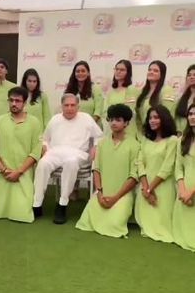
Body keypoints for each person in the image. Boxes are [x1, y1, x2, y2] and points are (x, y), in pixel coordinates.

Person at [33, 93, 102, 224]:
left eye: (73, 105)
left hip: (78, 153)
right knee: (42, 163)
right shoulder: (55, 119)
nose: (70, 108)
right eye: (66, 105)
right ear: (61, 106)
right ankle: (37, 204)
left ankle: (62, 204)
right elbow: (45, 139)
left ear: (78, 107)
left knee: (71, 162)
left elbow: (99, 136)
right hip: (55, 152)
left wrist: (96, 147)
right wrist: (44, 146)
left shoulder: (86, 118)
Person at [76, 104, 139, 238]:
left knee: (114, 227)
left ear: (126, 123)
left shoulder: (135, 145)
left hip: (122, 195)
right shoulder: (103, 143)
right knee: (85, 223)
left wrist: (116, 197)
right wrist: (99, 193)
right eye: (111, 120)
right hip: (102, 193)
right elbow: (96, 169)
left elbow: (134, 177)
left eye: (118, 120)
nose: (113, 123)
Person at [0, 87, 42, 223]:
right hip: (2, 175)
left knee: (23, 215)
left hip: (23, 174)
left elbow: (36, 152)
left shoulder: (34, 123)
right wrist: (4, 170)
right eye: (11, 100)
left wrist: (19, 172)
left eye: (18, 101)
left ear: (24, 103)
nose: (14, 104)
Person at [135, 105, 177, 243]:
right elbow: (140, 163)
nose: (152, 120)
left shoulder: (172, 140)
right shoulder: (145, 140)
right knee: (145, 224)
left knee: (163, 227)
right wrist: (146, 188)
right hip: (145, 187)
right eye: (150, 118)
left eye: (156, 117)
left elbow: (167, 168)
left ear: (164, 119)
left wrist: (150, 189)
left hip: (162, 187)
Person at [172, 104, 195, 252]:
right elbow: (178, 168)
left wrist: (191, 192)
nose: (193, 116)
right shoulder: (183, 139)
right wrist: (182, 190)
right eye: (190, 114)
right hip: (184, 191)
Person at [135, 60, 175, 137]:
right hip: (144, 135)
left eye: (155, 71)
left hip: (160, 135)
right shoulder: (142, 92)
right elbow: (138, 117)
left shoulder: (166, 90)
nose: (151, 72)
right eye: (149, 70)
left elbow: (168, 115)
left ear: (162, 74)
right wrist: (140, 134)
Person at [103, 59, 138, 137]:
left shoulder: (131, 90)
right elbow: (105, 112)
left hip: (127, 131)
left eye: (122, 70)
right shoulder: (110, 91)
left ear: (128, 73)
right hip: (111, 131)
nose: (118, 72)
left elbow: (129, 111)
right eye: (117, 69)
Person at [21, 68, 51, 132]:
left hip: (38, 132)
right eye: (29, 81)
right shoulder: (19, 96)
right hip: (22, 130)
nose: (32, 84)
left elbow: (47, 117)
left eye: (34, 81)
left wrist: (47, 133)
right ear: (25, 81)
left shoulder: (42, 96)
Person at [175, 64, 195, 135]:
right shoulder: (183, 96)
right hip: (183, 135)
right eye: (189, 75)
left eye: (194, 75)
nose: (191, 77)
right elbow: (178, 116)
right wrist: (179, 131)